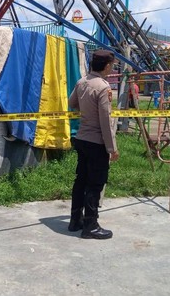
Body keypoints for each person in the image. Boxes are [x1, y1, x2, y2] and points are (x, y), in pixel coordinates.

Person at [68, 49, 119, 239]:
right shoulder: (103, 87)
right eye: (112, 65)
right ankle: (90, 226)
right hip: (97, 143)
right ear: (107, 66)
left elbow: (71, 103)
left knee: (80, 180)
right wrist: (112, 148)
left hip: (81, 139)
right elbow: (105, 121)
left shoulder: (82, 82)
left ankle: (75, 220)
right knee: (95, 184)